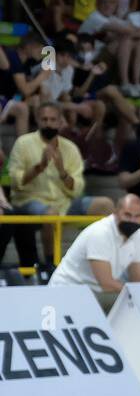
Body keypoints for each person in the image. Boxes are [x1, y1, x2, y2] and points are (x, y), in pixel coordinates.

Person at [2, 103, 112, 271]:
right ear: (37, 120)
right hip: (29, 202)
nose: (48, 123)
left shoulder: (70, 148)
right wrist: (39, 166)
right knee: (51, 213)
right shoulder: (23, 143)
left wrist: (62, 171)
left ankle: (100, 260)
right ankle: (51, 264)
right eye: (44, 119)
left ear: (60, 122)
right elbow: (16, 182)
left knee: (105, 205)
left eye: (53, 119)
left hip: (64, 203)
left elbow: (77, 189)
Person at [48, 194, 140, 310]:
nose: (132, 220)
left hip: (92, 295)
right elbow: (106, 283)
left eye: (137, 216)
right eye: (127, 215)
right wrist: (136, 295)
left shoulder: (138, 236)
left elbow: (138, 279)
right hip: (65, 293)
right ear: (116, 212)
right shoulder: (100, 233)